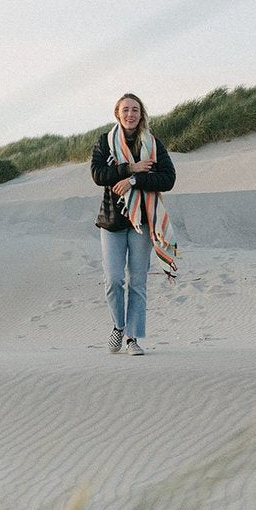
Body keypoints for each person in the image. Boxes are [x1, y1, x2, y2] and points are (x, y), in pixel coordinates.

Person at [91, 92, 177, 355]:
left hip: (142, 221)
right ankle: (118, 326)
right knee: (114, 280)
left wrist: (135, 181)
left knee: (137, 282)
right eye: (126, 110)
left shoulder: (152, 143)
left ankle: (132, 338)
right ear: (118, 113)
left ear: (141, 114)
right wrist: (130, 168)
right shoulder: (105, 142)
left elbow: (168, 179)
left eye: (135, 110)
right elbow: (98, 175)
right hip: (112, 221)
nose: (130, 114)